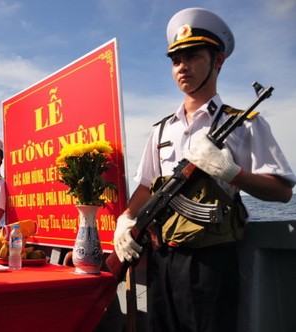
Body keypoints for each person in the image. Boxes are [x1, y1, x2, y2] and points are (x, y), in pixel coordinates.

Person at [113, 8, 295, 332]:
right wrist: (126, 220)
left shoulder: (243, 125)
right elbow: (144, 188)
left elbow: (282, 191)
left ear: (218, 60)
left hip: (210, 261)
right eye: (175, 60)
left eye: (192, 56)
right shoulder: (160, 131)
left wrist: (232, 173)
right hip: (160, 260)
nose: (182, 67)